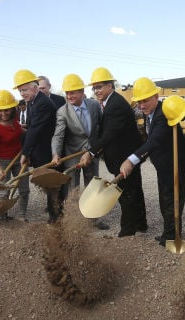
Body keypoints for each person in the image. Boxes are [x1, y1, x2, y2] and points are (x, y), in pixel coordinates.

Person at [119, 78, 185, 246]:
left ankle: (173, 237)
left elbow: (154, 141)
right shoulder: (151, 113)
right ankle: (168, 234)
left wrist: (131, 160)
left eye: (145, 100)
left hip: (175, 165)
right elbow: (151, 141)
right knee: (165, 201)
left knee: (172, 203)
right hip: (164, 166)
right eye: (139, 102)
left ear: (155, 96)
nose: (141, 105)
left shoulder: (163, 114)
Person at [80, 67, 147, 237]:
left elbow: (109, 134)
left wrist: (91, 152)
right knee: (135, 190)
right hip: (125, 153)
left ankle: (128, 230)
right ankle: (140, 223)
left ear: (111, 85)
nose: (97, 91)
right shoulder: (111, 102)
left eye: (100, 86)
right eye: (94, 88)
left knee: (126, 193)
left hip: (124, 156)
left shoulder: (115, 105)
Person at [51, 73, 108, 229]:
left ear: (82, 92)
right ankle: (73, 220)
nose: (69, 96)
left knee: (93, 185)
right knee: (72, 189)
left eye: (73, 92)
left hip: (92, 153)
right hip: (73, 155)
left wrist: (96, 149)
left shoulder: (94, 106)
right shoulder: (63, 112)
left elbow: (100, 128)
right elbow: (58, 134)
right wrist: (55, 153)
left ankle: (93, 219)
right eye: (67, 93)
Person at [14, 69, 58, 223]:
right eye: (20, 91)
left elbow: (35, 130)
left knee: (51, 184)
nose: (22, 94)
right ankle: (53, 213)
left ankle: (55, 216)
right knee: (47, 184)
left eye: (24, 90)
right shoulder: (33, 102)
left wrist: (25, 153)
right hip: (40, 149)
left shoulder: (42, 103)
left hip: (47, 151)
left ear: (35, 87)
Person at [0, 90, 29, 221]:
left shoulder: (15, 121)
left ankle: (22, 215)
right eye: (0, 111)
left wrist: (34, 133)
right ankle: (2, 217)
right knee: (4, 190)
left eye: (7, 110)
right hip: (1, 161)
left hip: (18, 158)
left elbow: (21, 131)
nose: (3, 114)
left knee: (24, 189)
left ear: (12, 109)